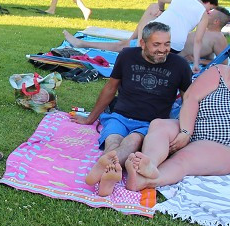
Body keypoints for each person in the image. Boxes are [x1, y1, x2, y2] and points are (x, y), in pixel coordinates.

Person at [124, 39, 230, 191]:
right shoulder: (219, 72)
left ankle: (143, 181)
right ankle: (149, 164)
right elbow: (191, 98)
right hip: (190, 127)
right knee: (159, 125)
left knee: (187, 156)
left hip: (226, 147)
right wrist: (186, 132)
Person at [76, 21, 192, 196]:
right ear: (142, 43)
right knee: (113, 140)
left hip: (150, 123)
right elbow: (110, 88)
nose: (163, 49)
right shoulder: (127, 56)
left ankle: (103, 168)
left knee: (132, 142)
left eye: (167, 43)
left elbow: (188, 101)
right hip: (120, 116)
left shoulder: (180, 65)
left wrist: (186, 131)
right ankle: (110, 172)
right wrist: (90, 118)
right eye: (156, 44)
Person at [64, 0, 225, 70]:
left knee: (151, 9)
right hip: (172, 47)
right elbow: (197, 40)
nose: (211, 13)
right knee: (127, 44)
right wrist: (196, 63)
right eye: (212, 8)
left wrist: (160, 10)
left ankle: (132, 40)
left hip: (154, 37)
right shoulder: (203, 16)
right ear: (208, 3)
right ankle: (133, 40)